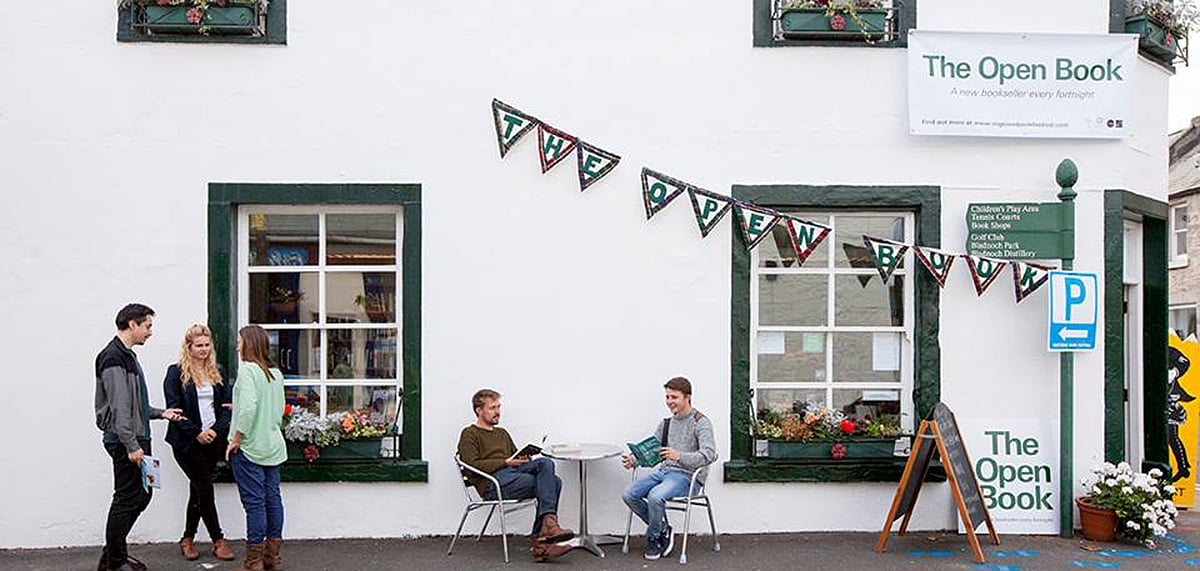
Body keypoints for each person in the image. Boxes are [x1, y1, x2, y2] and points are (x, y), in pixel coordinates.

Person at [94, 303, 185, 571]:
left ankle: (112, 554)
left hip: (135, 436)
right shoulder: (113, 357)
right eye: (147, 326)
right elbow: (120, 407)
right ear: (132, 324)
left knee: (141, 496)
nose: (150, 332)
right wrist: (131, 445)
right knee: (126, 498)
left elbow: (134, 404)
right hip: (126, 440)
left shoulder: (128, 356)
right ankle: (115, 562)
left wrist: (161, 413)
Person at [457, 389, 574, 562]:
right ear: (478, 410)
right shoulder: (470, 433)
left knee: (546, 464)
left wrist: (523, 458)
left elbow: (513, 457)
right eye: (492, 408)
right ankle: (543, 540)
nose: (497, 412)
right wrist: (505, 462)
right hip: (492, 484)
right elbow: (471, 465)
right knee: (553, 483)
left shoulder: (502, 433)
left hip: (512, 475)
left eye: (498, 407)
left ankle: (547, 531)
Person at [620, 377, 717, 561]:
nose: (669, 402)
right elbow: (653, 449)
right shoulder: (666, 423)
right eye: (667, 397)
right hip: (665, 472)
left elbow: (709, 455)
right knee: (629, 494)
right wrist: (632, 460)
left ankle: (654, 538)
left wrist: (679, 456)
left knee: (656, 496)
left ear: (687, 397)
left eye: (674, 397)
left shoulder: (701, 422)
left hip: (689, 477)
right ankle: (663, 528)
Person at [164, 324, 235, 562]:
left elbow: (227, 408)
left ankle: (187, 539)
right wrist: (196, 433)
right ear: (189, 347)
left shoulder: (219, 371)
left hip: (213, 441)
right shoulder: (175, 373)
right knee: (204, 486)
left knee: (198, 489)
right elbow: (174, 410)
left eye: (207, 345)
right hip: (186, 442)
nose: (204, 350)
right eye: (199, 346)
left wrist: (215, 431)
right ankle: (218, 540)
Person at [226, 325, 287, 571]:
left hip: (250, 447)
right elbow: (277, 407)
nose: (237, 345)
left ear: (249, 343)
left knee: (254, 503)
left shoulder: (248, 370)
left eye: (239, 341)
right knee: (273, 499)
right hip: (273, 445)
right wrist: (238, 407)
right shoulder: (275, 373)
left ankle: (254, 562)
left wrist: (237, 438)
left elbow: (250, 407)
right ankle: (272, 558)